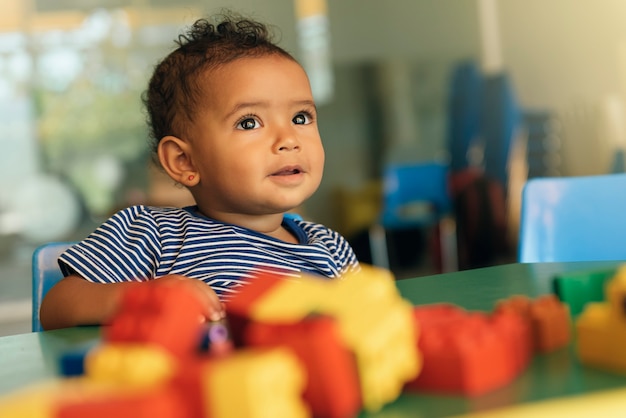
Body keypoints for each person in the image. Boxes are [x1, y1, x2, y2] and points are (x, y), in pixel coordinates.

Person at [40, 12, 360, 331]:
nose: (288, 139)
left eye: (301, 117)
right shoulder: (152, 234)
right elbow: (57, 306)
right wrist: (142, 296)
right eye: (249, 122)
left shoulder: (329, 247)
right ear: (184, 162)